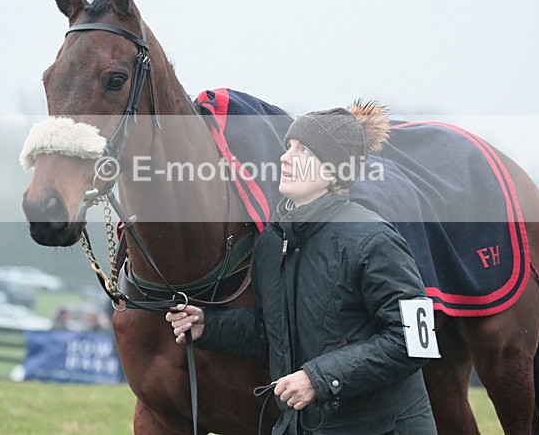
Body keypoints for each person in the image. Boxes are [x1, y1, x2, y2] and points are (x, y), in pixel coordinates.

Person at [166, 101, 436, 434]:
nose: (285, 157)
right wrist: (210, 326)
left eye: (304, 150)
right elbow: (273, 334)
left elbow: (413, 343)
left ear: (334, 171)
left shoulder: (375, 239)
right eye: (288, 146)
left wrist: (318, 378)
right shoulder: (271, 242)